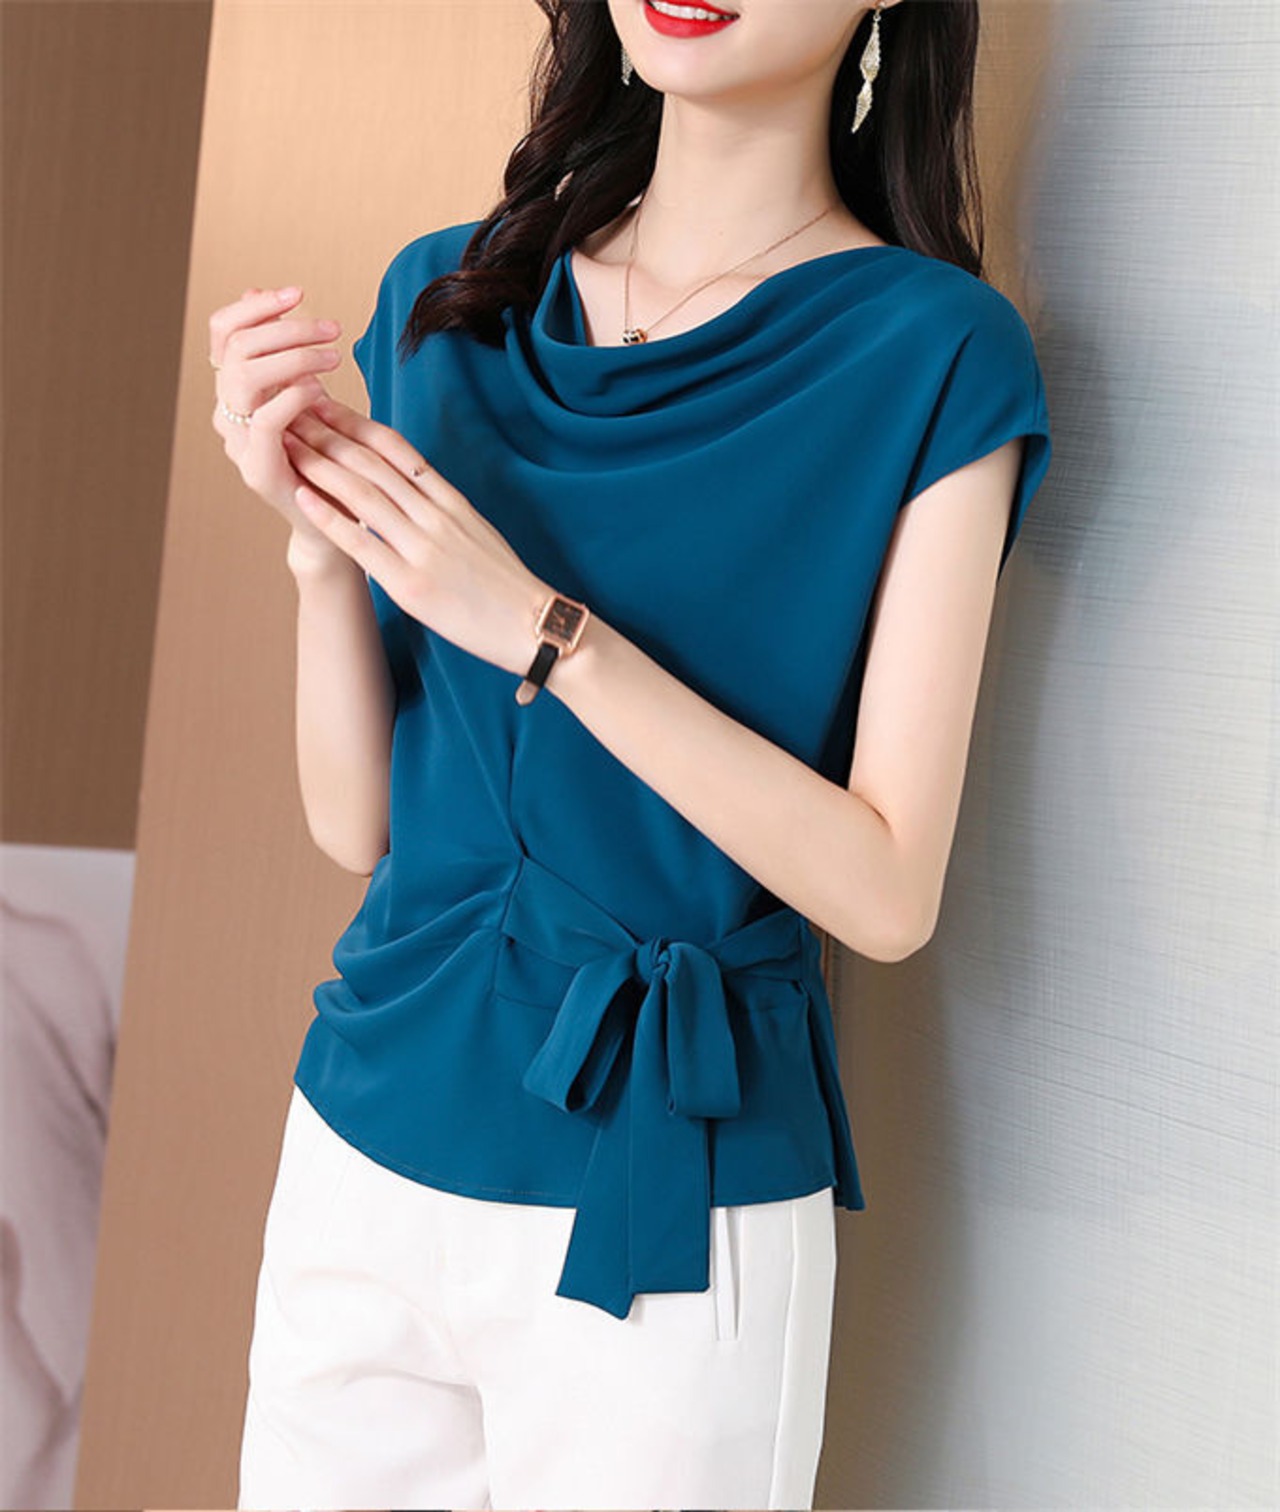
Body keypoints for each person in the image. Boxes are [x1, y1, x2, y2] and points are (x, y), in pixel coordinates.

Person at [211, 0, 1052, 1506]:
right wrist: (321, 545)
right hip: (366, 1138)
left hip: (666, 1187)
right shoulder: (450, 298)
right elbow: (359, 826)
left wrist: (546, 632)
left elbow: (886, 891)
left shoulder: (931, 353)